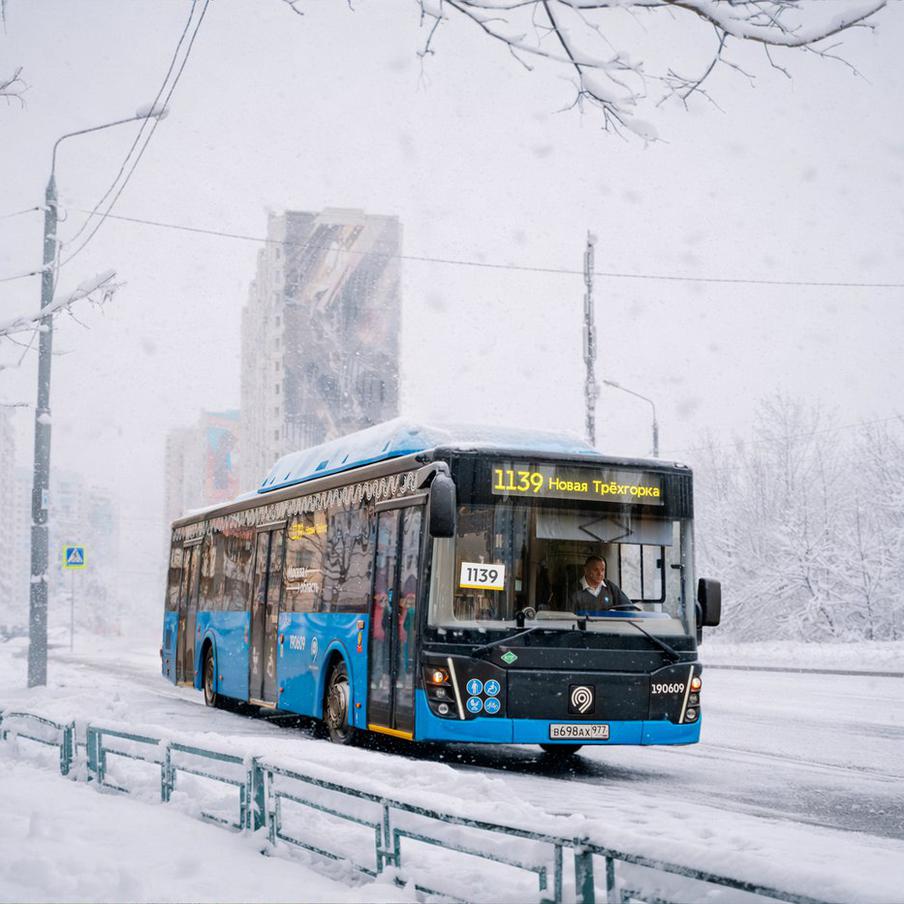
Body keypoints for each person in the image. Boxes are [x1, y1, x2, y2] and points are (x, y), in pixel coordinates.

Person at [568, 555, 632, 613]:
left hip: (607, 625)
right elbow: (567, 616)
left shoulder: (610, 587)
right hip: (585, 625)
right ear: (586, 570)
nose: (600, 573)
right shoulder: (574, 590)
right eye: (596, 570)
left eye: (602, 570)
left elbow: (628, 608)